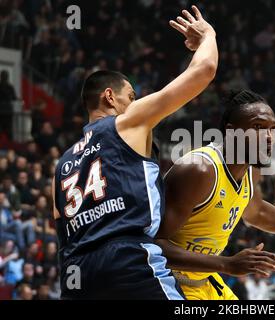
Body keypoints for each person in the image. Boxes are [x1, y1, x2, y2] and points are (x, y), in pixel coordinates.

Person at [52, 6, 218, 299]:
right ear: (109, 97)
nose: (135, 102)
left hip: (76, 274)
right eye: (131, 96)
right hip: (126, 261)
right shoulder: (127, 122)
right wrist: (208, 36)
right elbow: (204, 70)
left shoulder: (62, 164)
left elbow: (62, 236)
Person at [156, 90, 275, 300]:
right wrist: (228, 264)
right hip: (167, 281)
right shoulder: (199, 170)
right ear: (231, 133)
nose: (269, 137)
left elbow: (256, 211)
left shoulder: (251, 170)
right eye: (258, 127)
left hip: (206, 280)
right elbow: (155, 247)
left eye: (273, 129)